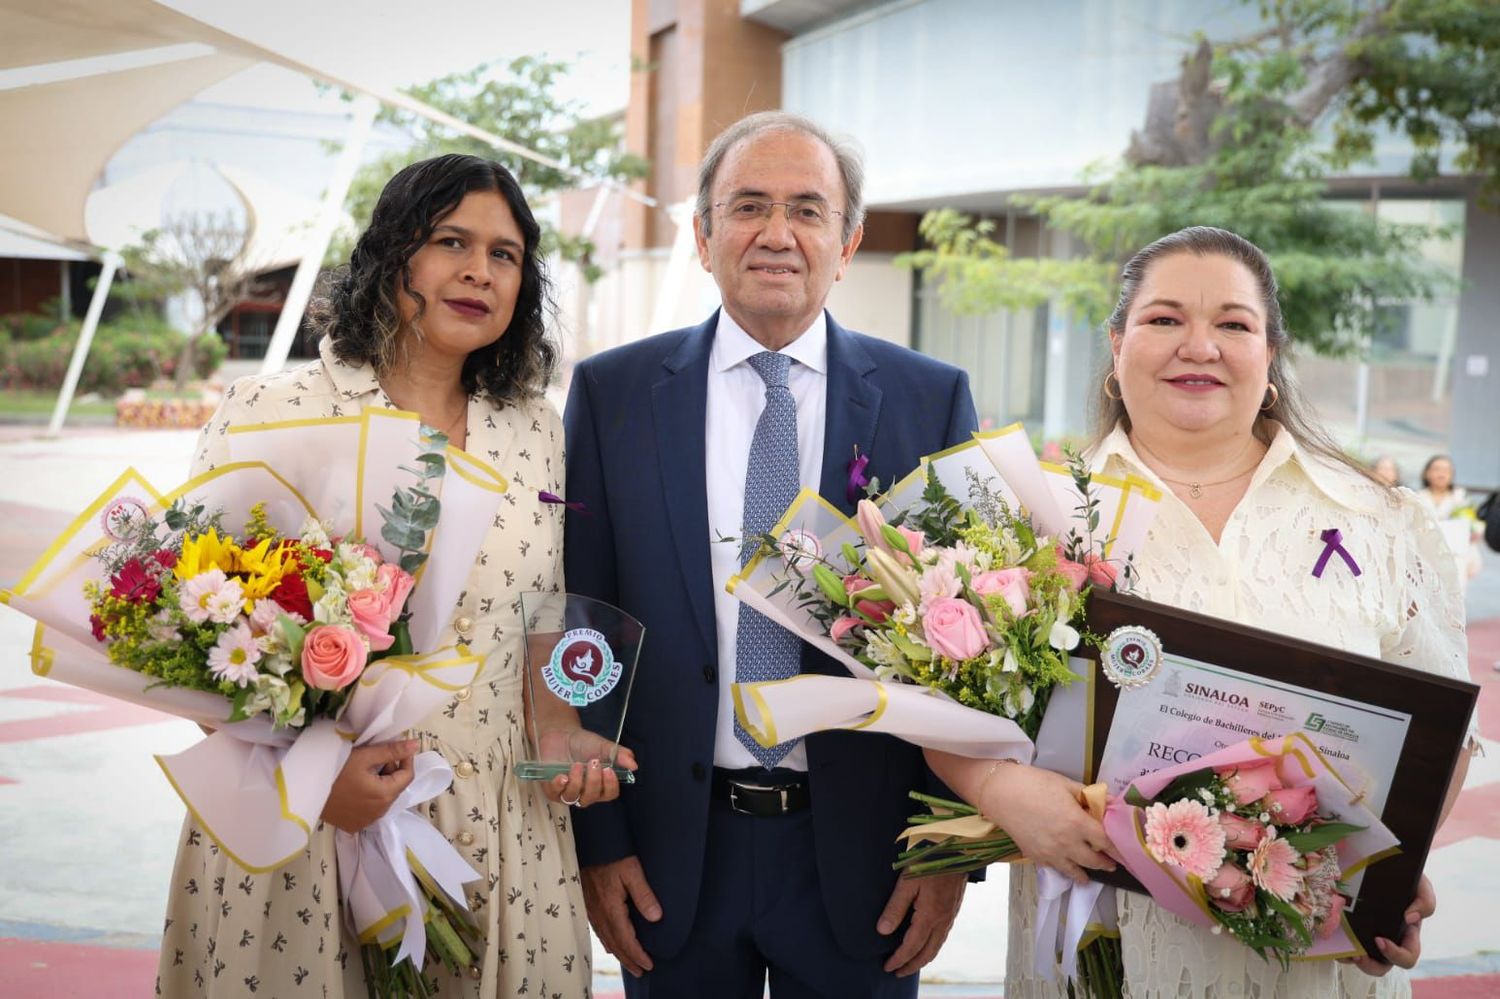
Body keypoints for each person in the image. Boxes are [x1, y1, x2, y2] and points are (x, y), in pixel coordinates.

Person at [563, 111, 1053, 997]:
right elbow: (584, 621)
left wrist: (945, 853)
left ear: (848, 241)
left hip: (867, 865)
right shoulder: (613, 394)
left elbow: (974, 651)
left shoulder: (929, 398)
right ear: (703, 236)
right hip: (671, 854)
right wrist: (600, 843)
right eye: (748, 206)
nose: (777, 234)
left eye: (807, 209)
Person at [156, 154, 630, 998]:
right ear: (390, 253)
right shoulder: (270, 409)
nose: (480, 271)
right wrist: (311, 781)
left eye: (505, 254)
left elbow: (544, 612)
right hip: (307, 825)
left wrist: (561, 738)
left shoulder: (536, 429)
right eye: (452, 241)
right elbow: (192, 632)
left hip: (500, 822)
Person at [983, 226, 1473, 998]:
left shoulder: (1377, 519)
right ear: (1116, 345)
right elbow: (955, 718)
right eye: (1165, 318)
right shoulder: (1034, 518)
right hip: (1108, 949)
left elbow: (1442, 736)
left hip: (1315, 955)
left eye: (1234, 324)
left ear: (1270, 354)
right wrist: (1000, 791)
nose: (1199, 346)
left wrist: (1388, 875)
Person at [1416, 454, 1483, 583]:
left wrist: (1474, 532)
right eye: (1437, 469)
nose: (1441, 474)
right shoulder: (1417, 497)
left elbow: (1474, 525)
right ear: (1426, 473)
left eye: (1446, 470)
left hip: (1455, 557)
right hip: (1426, 557)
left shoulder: (1461, 497)